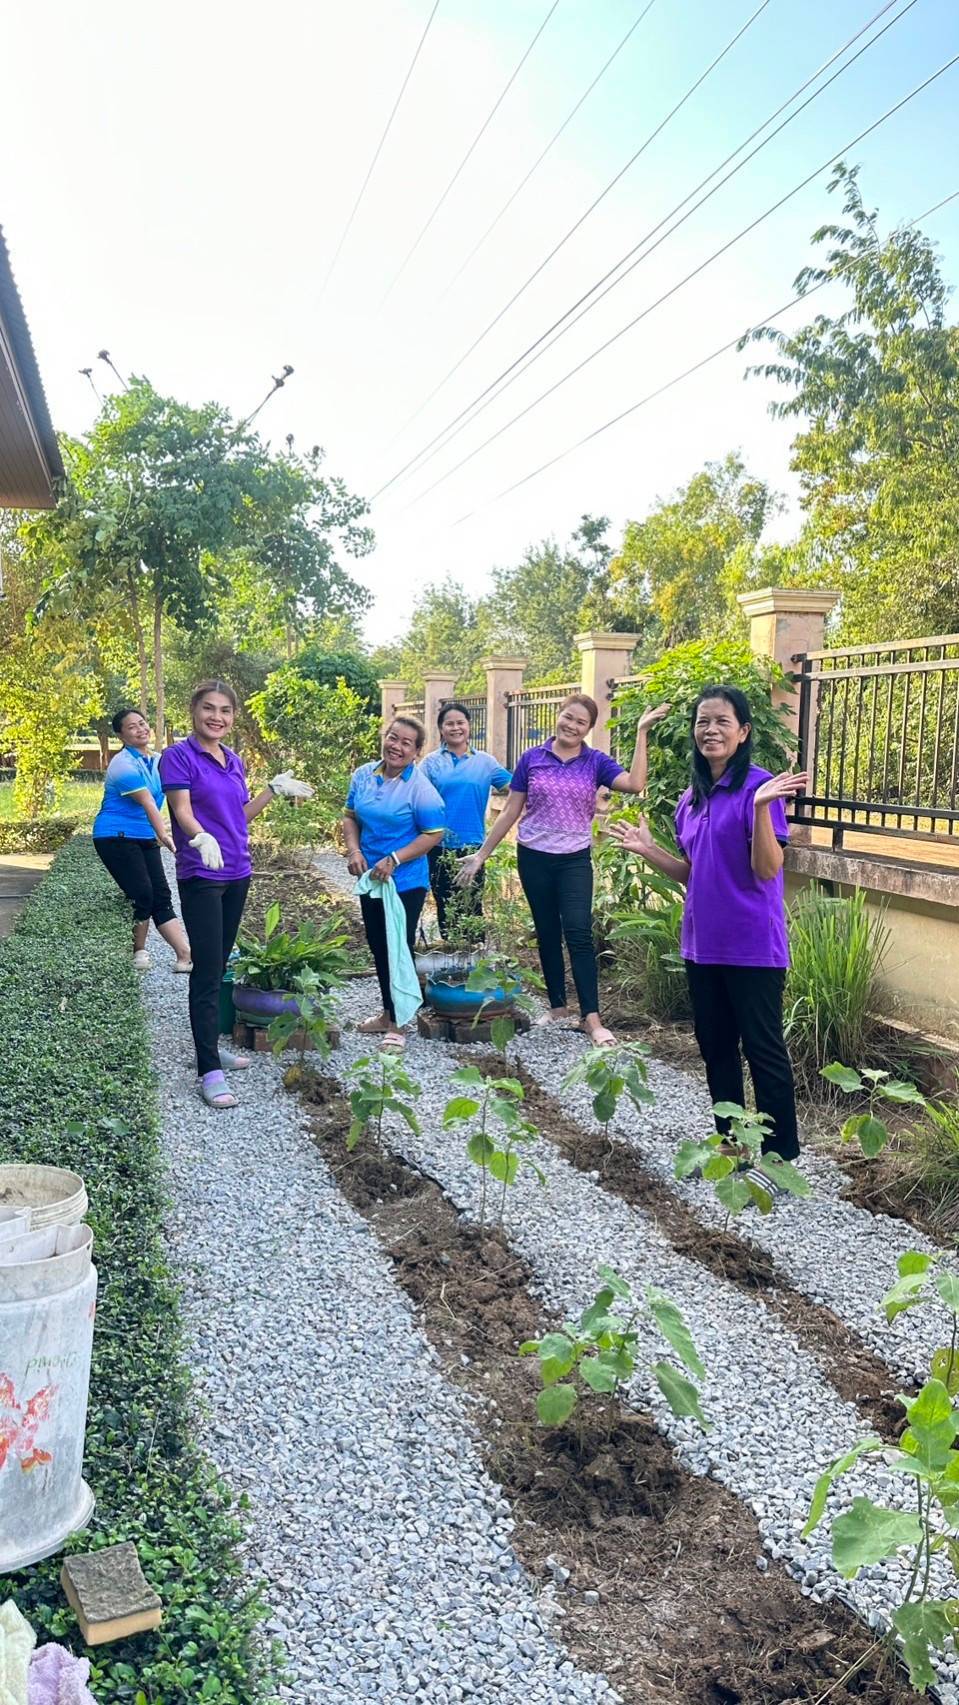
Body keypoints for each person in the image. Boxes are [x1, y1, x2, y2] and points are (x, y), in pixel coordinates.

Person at [606, 685, 808, 1165]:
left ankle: (780, 1158)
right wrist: (648, 850)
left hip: (752, 945)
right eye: (703, 721)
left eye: (722, 721)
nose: (710, 730)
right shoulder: (691, 798)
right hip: (702, 944)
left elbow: (766, 869)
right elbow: (694, 871)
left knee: (762, 1051)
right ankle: (732, 1144)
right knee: (716, 1048)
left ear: (743, 732)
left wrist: (759, 809)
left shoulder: (760, 788)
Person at [457, 693, 663, 1047]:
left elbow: (635, 784)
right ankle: (557, 1006)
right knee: (547, 930)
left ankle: (592, 1018)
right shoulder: (532, 758)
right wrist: (481, 855)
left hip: (574, 859)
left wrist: (642, 732)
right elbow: (511, 811)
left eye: (581, 722)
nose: (572, 726)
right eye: (568, 717)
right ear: (558, 715)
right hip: (533, 856)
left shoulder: (595, 762)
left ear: (589, 728)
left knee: (579, 932)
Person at [159, 679, 312, 1109]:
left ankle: (207, 1045)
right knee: (207, 970)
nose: (217, 717)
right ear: (194, 711)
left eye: (225, 710)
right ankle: (209, 1069)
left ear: (233, 717)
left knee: (220, 963)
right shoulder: (178, 756)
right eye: (209, 708)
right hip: (202, 873)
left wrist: (272, 791)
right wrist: (199, 836)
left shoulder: (234, 760)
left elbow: (240, 816)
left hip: (238, 871)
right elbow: (182, 810)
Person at [342, 715, 445, 1050]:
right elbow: (350, 816)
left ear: (416, 751)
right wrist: (354, 850)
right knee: (377, 943)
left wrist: (395, 859)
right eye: (392, 737)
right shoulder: (364, 775)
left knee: (398, 947)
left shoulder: (420, 788)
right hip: (371, 878)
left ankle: (399, 1024)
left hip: (405, 881)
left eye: (406, 743)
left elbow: (433, 833)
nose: (396, 746)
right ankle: (388, 1012)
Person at [92, 707, 192, 973]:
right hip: (115, 837)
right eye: (132, 726)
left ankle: (185, 956)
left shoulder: (159, 760)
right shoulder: (122, 764)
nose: (141, 729)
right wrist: (165, 836)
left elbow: (179, 798)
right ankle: (139, 951)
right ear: (120, 735)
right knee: (143, 894)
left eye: (142, 723)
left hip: (144, 835)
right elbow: (148, 802)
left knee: (161, 896)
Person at [421, 701, 511, 943]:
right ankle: (451, 958)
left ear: (469, 726)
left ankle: (475, 959)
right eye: (449, 724)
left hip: (473, 848)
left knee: (472, 906)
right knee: (446, 906)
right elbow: (416, 799)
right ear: (441, 729)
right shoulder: (430, 763)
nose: (455, 728)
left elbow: (515, 787)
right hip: (438, 847)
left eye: (460, 722)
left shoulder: (485, 762)